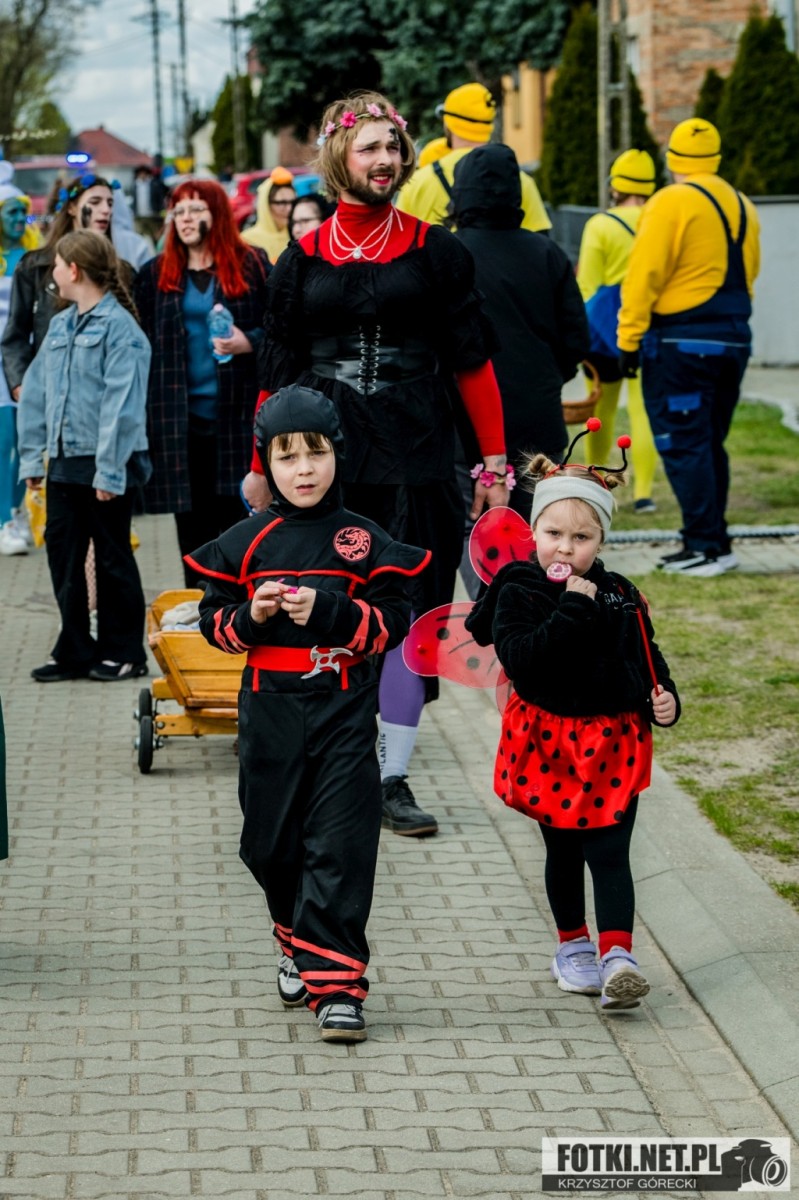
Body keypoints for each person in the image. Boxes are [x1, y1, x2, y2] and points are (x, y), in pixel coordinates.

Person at [243, 90, 510, 838]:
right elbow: (276, 372)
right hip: (323, 457)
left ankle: (390, 777)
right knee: (323, 605)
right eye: (370, 148)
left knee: (407, 616)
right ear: (340, 158)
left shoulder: (436, 250)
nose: (386, 160)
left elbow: (472, 363)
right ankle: (334, 765)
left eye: (393, 147)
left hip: (415, 452)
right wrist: (260, 462)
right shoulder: (299, 261)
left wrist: (492, 465)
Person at [188, 384, 430, 1042]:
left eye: (316, 453)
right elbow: (213, 626)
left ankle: (338, 987)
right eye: (286, 455)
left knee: (340, 845)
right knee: (269, 845)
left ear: (337, 454)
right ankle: (293, 937)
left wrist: (331, 612)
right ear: (266, 461)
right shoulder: (246, 541)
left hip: (344, 713)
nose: (303, 469)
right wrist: (250, 615)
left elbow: (392, 623)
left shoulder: (363, 539)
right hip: (268, 715)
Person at [464, 426, 680, 1008]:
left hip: (613, 741)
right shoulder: (520, 588)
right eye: (554, 534)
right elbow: (523, 658)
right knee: (564, 852)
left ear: (601, 539)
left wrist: (664, 698)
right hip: (549, 741)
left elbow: (646, 654)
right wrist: (571, 610)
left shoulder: (619, 592)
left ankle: (619, 958)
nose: (565, 548)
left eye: (581, 537)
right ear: (533, 531)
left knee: (610, 851)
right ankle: (573, 947)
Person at [617, 119, 760, 577]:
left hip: (681, 344)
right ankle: (714, 542)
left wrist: (628, 338)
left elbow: (645, 274)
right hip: (733, 338)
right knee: (708, 443)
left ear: (672, 158)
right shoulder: (742, 204)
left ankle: (704, 547)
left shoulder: (670, 200)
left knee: (683, 443)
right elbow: (750, 272)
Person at [17, 231, 151, 682]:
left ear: (73, 271)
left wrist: (109, 472)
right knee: (63, 557)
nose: (53, 272)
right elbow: (35, 395)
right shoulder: (60, 326)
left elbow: (122, 406)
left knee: (112, 559)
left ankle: (124, 652)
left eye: (57, 264)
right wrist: (33, 459)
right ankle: (74, 649)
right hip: (64, 464)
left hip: (106, 466)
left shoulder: (121, 330)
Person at [134, 179, 271, 585]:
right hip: (178, 422)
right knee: (191, 530)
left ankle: (240, 610)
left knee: (240, 525)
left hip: (238, 417)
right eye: (178, 211)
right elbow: (140, 343)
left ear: (218, 213)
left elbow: (282, 328)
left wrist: (249, 341)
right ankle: (198, 609)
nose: (186, 219)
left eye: (196, 209)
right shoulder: (155, 273)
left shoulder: (252, 264)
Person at [451, 143, 589, 526]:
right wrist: (548, 376)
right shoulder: (547, 253)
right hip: (537, 417)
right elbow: (577, 339)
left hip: (465, 422)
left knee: (474, 535)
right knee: (539, 531)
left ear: (460, 190)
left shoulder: (448, 254)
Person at [577, 150, 658, 513]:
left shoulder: (600, 225)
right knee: (642, 411)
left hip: (603, 333)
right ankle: (644, 494)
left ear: (615, 187)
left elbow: (587, 286)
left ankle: (597, 484)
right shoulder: (659, 221)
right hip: (647, 328)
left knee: (601, 412)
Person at [396, 82, 551, 233]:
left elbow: (397, 238)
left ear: (448, 124)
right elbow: (539, 237)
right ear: (490, 124)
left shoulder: (416, 183)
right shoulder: (520, 180)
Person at [0, 163, 40, 556]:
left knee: (23, 440)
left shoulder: (31, 256)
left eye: (22, 212)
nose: (18, 219)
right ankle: (5, 521)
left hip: (20, 361)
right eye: (11, 212)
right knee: (5, 441)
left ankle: (14, 512)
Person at [241, 167, 296, 263]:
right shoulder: (246, 240)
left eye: (293, 202)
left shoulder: (297, 235)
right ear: (265, 205)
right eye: (282, 203)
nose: (289, 209)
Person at [131, 165, 166, 242]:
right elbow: (134, 200)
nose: (142, 175)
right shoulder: (135, 185)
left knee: (155, 237)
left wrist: (161, 211)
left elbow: (160, 198)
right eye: (140, 174)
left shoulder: (154, 184)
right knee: (139, 236)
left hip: (152, 215)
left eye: (144, 173)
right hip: (139, 216)